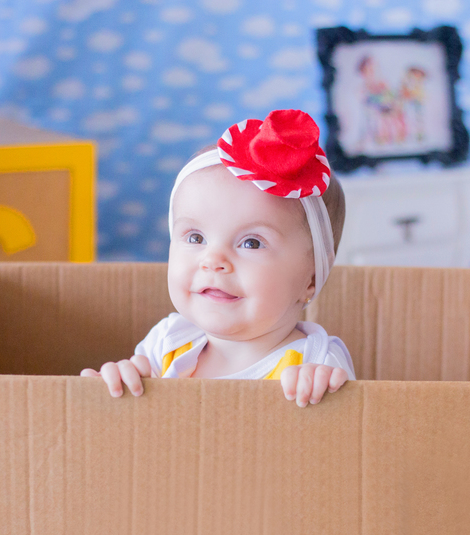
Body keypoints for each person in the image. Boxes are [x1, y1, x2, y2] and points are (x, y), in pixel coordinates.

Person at [82, 109, 354, 407]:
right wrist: (122, 383)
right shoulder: (168, 344)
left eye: (251, 243)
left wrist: (324, 393)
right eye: (195, 238)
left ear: (311, 278)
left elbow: (346, 437)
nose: (213, 260)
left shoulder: (316, 362)